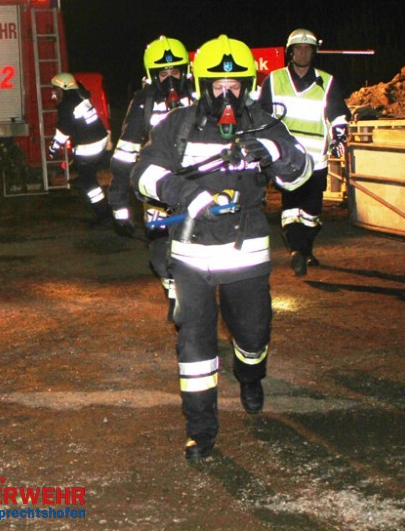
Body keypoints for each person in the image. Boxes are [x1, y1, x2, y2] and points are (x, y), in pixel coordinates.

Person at [131, 35, 312, 460]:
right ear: (202, 85)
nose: (227, 95)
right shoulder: (176, 125)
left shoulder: (263, 121)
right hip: (190, 257)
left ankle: (250, 375)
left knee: (253, 334)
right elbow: (143, 174)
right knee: (194, 346)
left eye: (235, 86)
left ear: (248, 85)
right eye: (218, 86)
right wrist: (188, 195)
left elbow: (300, 172)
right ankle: (201, 431)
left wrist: (268, 150)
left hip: (244, 254)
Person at [108, 36, 194, 318]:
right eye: (163, 73)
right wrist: (119, 203)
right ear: (151, 76)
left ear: (186, 70)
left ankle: (189, 296)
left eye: (176, 71)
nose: (170, 79)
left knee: (194, 246)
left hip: (194, 186)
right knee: (160, 250)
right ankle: (172, 288)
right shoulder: (142, 102)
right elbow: (125, 153)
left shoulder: (200, 96)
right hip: (157, 190)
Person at [259, 28, 351, 276]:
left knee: (311, 212)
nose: (302, 52)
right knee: (291, 209)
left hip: (316, 161)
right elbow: (261, 117)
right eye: (298, 48)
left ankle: (305, 249)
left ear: (313, 52)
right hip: (286, 161)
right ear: (290, 52)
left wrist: (340, 133)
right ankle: (297, 251)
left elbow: (338, 113)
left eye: (307, 48)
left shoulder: (327, 81)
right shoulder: (274, 80)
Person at [48, 72, 111, 226]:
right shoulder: (80, 98)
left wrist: (52, 149)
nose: (54, 94)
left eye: (56, 90)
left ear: (64, 89)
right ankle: (105, 211)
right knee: (86, 175)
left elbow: (63, 132)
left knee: (88, 183)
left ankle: (105, 216)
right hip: (99, 139)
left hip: (89, 145)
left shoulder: (66, 106)